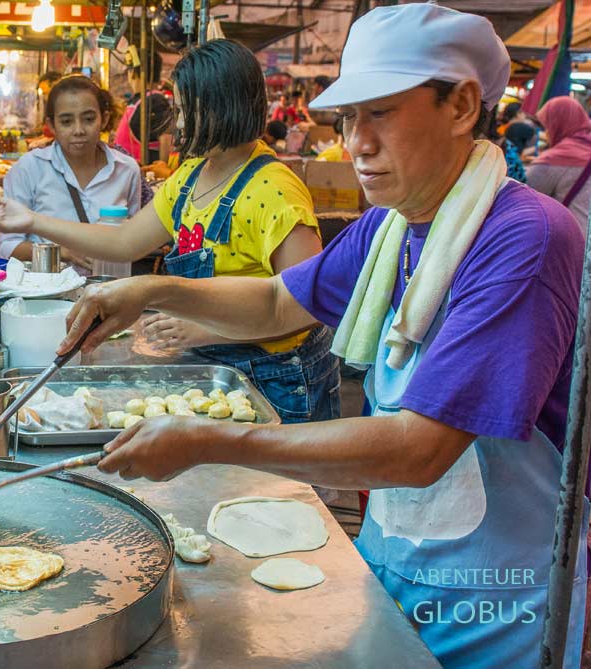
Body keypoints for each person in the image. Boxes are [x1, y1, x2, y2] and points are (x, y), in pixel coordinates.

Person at [56, 5, 587, 668]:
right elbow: (282, 299)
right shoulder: (389, 227)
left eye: (381, 113)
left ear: (461, 105)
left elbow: (420, 449)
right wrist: (148, 289)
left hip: (494, 602)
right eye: (347, 119)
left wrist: (211, 441)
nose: (357, 142)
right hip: (399, 556)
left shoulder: (523, 237)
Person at [0, 40, 340, 423]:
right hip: (220, 371)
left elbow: (306, 306)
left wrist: (206, 328)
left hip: (280, 380)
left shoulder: (275, 191)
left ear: (225, 106)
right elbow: (123, 241)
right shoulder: (190, 177)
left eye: (187, 110)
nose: (179, 123)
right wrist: (33, 222)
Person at [0, 75, 142, 269]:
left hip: (109, 290)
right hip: (47, 293)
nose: (79, 130)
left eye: (89, 119)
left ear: (104, 119)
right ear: (51, 125)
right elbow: (8, 245)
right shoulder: (29, 168)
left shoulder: (126, 170)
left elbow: (135, 239)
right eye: (66, 122)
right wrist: (62, 253)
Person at [526, 96, 591, 236]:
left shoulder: (556, 158)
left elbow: (523, 196)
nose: (546, 133)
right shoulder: (586, 146)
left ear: (558, 124)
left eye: (547, 127)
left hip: (576, 245)